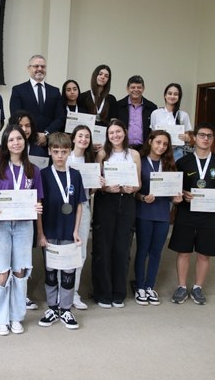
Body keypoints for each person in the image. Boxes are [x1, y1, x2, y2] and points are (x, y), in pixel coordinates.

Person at [0, 125, 44, 335]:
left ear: (25, 141)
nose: (16, 143)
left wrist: (38, 209)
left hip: (24, 225)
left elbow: (37, 198)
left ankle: (16, 316)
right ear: (5, 143)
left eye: (19, 138)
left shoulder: (33, 170)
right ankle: (0, 317)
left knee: (20, 271)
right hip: (0, 224)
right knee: (1, 271)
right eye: (11, 140)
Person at [169, 123, 215, 305]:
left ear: (212, 140)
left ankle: (198, 287)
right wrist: (181, 193)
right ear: (194, 138)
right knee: (183, 252)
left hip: (210, 215)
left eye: (209, 136)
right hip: (186, 213)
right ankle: (181, 287)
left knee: (204, 254)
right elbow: (175, 187)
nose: (205, 139)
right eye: (202, 135)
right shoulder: (183, 162)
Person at [37, 132, 86, 329]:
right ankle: (52, 307)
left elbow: (79, 205)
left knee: (67, 272)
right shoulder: (43, 174)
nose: (59, 155)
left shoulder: (75, 174)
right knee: (50, 272)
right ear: (49, 151)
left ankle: (66, 309)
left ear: (69, 152)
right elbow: (38, 205)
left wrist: (76, 231)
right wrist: (40, 234)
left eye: (64, 151)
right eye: (55, 151)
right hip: (49, 232)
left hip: (68, 232)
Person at [91, 119, 141, 308]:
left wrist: (132, 189)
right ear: (107, 136)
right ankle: (102, 293)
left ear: (125, 132)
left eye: (118, 131)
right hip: (106, 202)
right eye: (111, 133)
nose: (115, 136)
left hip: (127, 202)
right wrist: (104, 187)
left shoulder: (134, 154)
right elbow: (98, 181)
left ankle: (119, 292)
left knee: (122, 247)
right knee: (103, 248)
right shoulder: (102, 153)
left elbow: (139, 184)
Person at [133, 130, 182, 306]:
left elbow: (172, 192)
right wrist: (142, 197)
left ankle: (149, 286)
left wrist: (176, 199)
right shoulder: (140, 161)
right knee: (142, 250)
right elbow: (134, 190)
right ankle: (139, 286)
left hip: (163, 213)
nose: (161, 146)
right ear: (150, 142)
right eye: (158, 142)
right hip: (144, 212)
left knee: (156, 252)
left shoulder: (169, 163)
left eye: (165, 144)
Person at [7, 110, 47, 310]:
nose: (24, 130)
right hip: (5, 218)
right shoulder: (2, 160)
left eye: (28, 125)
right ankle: (5, 292)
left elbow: (38, 186)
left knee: (23, 258)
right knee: (5, 258)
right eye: (20, 126)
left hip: (28, 214)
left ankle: (21, 295)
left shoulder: (39, 150)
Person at [67, 125, 104, 310]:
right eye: (80, 135)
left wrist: (98, 184)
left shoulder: (91, 160)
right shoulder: (65, 157)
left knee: (80, 251)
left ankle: (74, 293)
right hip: (65, 210)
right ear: (73, 138)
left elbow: (93, 191)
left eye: (87, 137)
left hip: (85, 207)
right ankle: (61, 290)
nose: (83, 139)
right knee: (64, 248)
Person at [9, 54, 65, 146]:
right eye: (36, 66)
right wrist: (34, 134)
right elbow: (16, 115)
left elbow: (60, 117)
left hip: (50, 142)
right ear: (28, 68)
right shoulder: (18, 90)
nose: (39, 69)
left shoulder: (54, 91)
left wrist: (46, 134)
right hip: (26, 141)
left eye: (43, 66)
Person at [108, 75, 157, 151]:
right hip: (123, 148)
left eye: (139, 87)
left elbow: (154, 130)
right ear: (127, 89)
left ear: (143, 89)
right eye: (133, 87)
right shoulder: (118, 106)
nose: (136, 90)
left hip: (144, 149)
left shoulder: (151, 107)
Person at [149, 83, 193, 162]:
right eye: (169, 93)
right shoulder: (156, 113)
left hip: (177, 152)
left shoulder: (183, 115)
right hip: (159, 150)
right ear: (165, 96)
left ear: (179, 97)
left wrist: (186, 138)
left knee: (175, 173)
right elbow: (152, 134)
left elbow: (188, 138)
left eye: (175, 94)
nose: (172, 96)